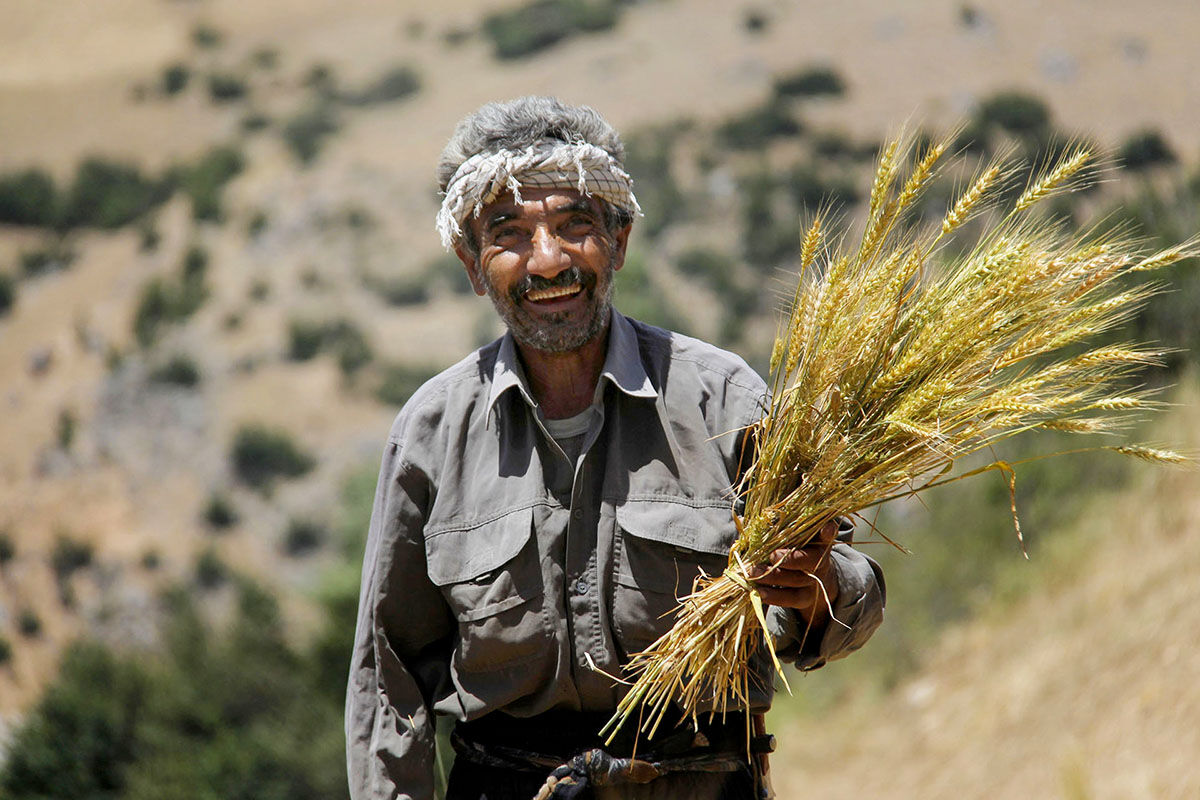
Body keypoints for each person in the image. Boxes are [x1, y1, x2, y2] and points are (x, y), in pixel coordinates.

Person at [346, 96, 885, 800]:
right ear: (472, 263)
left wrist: (818, 592)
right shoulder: (430, 433)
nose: (548, 261)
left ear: (620, 240)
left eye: (575, 226)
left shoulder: (725, 400)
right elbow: (389, 679)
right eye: (508, 233)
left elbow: (849, 588)